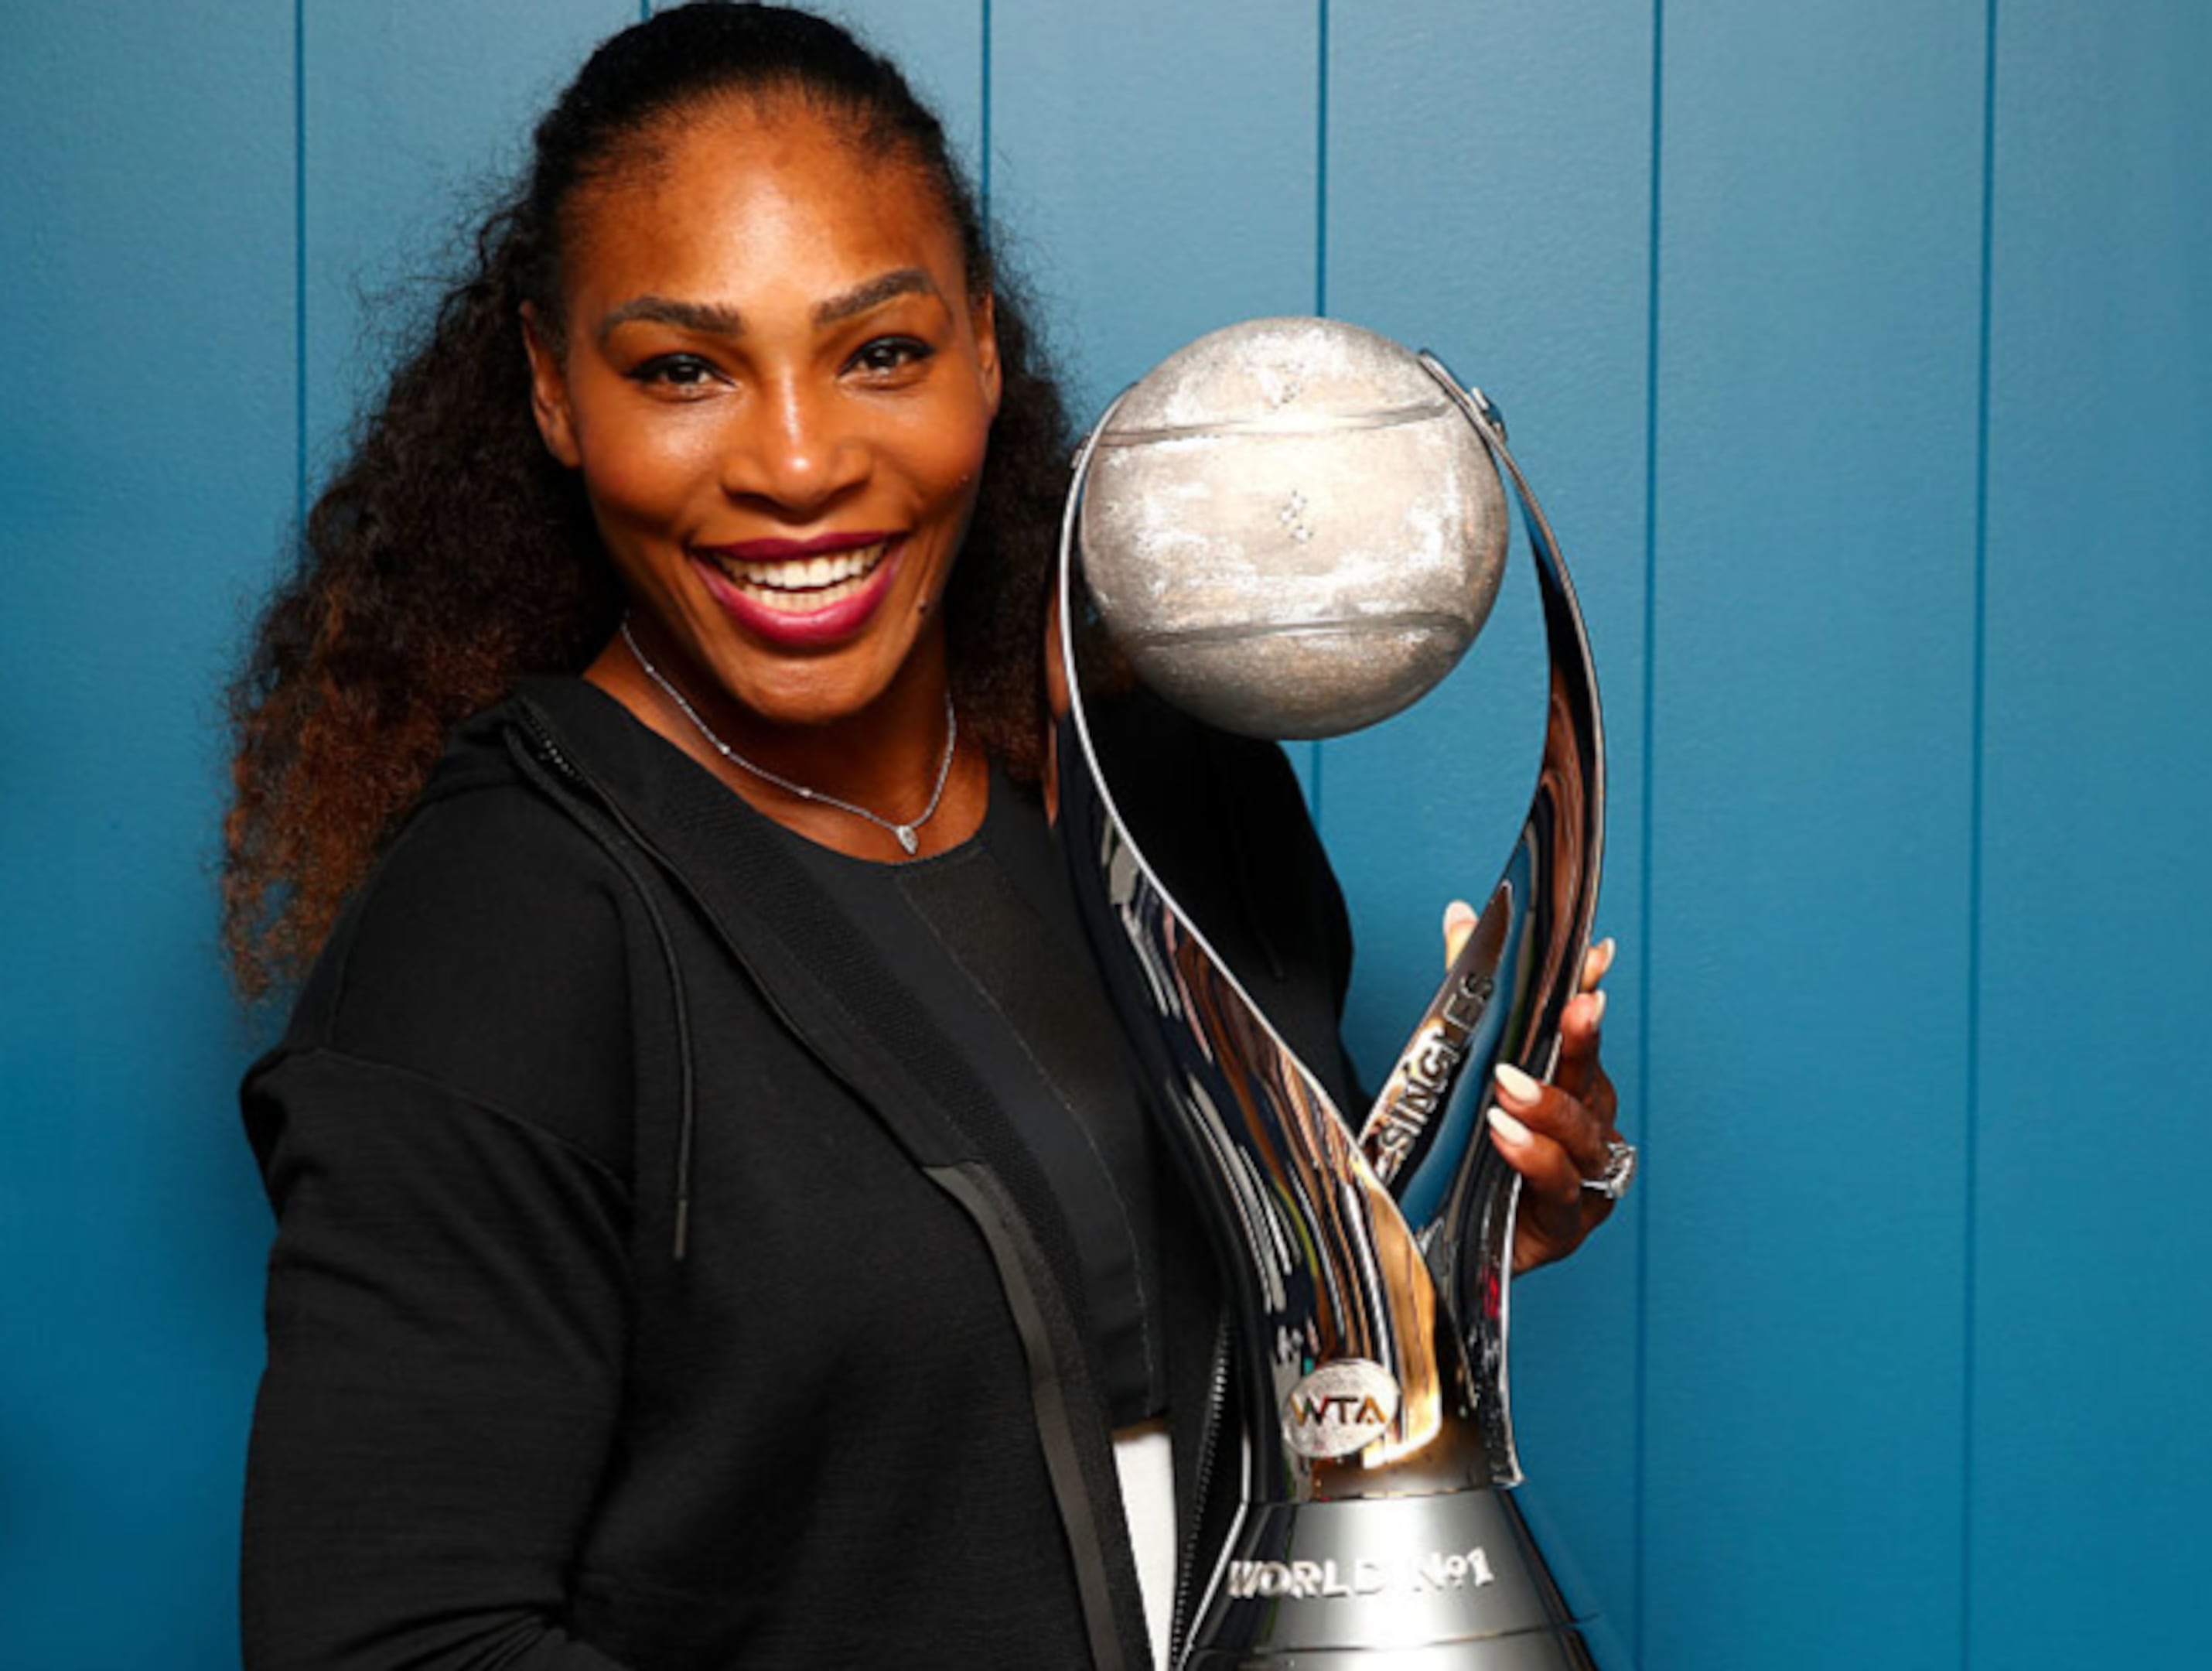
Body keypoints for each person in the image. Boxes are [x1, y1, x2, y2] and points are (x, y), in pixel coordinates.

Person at [221, 7, 1625, 1667]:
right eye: (684, 369)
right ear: (552, 391)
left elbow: (1250, 1364)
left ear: (981, 347)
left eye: (879, 351)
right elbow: (393, 1644)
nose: (800, 464)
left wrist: (1466, 1251)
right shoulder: (501, 929)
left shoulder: (1157, 774)